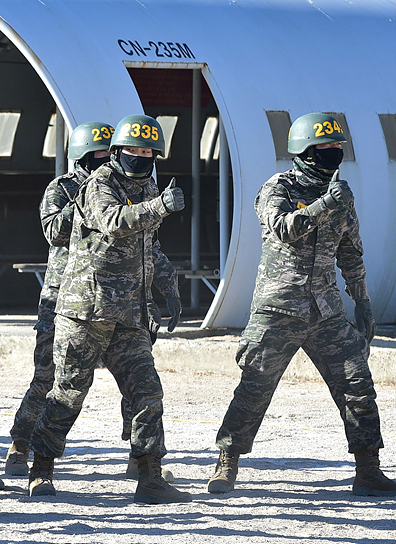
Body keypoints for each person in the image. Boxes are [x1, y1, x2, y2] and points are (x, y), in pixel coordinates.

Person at [208, 112, 395, 497]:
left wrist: (362, 301)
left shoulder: (340, 194)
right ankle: (227, 461)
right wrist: (324, 203)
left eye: (339, 147)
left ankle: (368, 468)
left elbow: (350, 251)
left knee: (356, 384)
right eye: (327, 148)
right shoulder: (278, 187)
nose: (335, 154)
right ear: (306, 151)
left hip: (326, 311)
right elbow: (283, 229)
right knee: (255, 386)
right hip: (278, 308)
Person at [26, 114, 189, 504]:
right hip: (87, 310)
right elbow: (114, 221)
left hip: (130, 313)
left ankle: (150, 476)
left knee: (147, 392)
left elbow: (149, 246)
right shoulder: (99, 184)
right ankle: (40, 470)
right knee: (67, 393)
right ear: (117, 151)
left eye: (149, 151)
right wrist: (161, 206)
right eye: (134, 150)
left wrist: (168, 288)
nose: (141, 157)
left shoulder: (147, 184)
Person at [5, 121, 114, 476]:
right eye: (100, 155)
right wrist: (87, 196)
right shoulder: (62, 188)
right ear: (83, 156)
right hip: (63, 298)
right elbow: (54, 231)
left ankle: (142, 461)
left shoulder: (122, 187)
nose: (108, 161)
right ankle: (20, 445)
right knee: (48, 377)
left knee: (136, 378)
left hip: (112, 297)